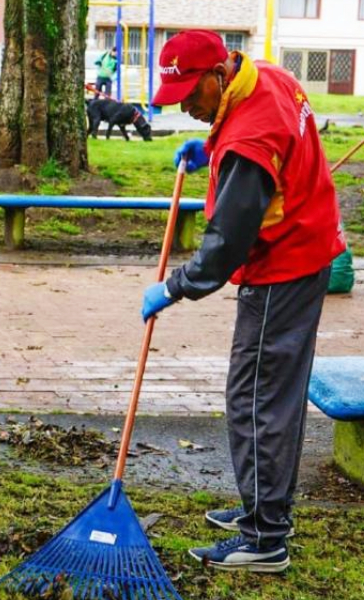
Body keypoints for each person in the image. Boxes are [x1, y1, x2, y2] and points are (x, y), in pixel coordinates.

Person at [142, 30, 345, 572]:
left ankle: (264, 538)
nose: (186, 107)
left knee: (256, 397)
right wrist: (211, 152)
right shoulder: (267, 77)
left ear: (217, 75)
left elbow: (226, 245)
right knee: (274, 394)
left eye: (190, 94)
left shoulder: (249, 140)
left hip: (285, 266)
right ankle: (266, 509)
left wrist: (173, 287)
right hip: (310, 244)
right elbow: (264, 155)